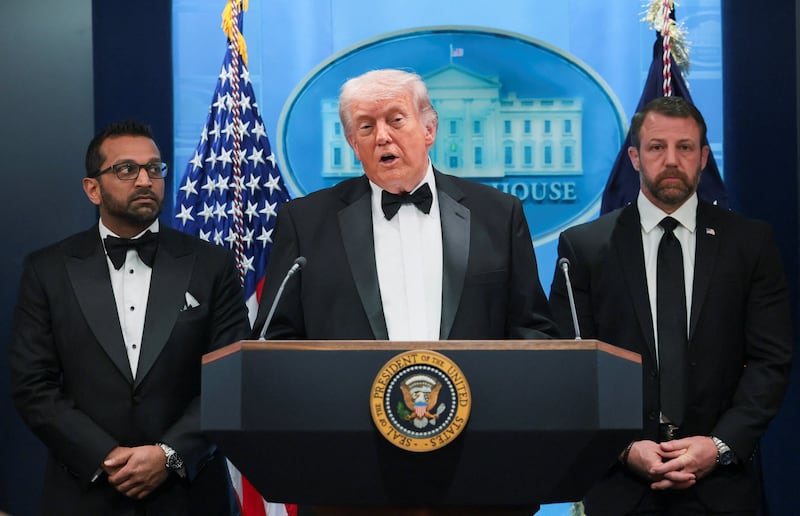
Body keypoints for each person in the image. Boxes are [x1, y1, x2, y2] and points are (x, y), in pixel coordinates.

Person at [549, 96, 792, 515]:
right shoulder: (585, 247)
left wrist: (719, 446)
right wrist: (624, 448)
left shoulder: (750, 243)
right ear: (635, 157)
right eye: (657, 147)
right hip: (621, 488)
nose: (672, 160)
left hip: (724, 488)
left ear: (704, 157)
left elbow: (771, 360)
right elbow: (569, 365)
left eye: (685, 147)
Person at [9, 121, 250, 515]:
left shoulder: (212, 265)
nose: (144, 180)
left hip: (190, 496)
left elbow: (232, 381)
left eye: (154, 168)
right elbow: (33, 385)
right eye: (126, 169)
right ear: (92, 188)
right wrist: (105, 456)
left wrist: (169, 454)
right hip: (84, 495)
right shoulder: (47, 270)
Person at [251, 68, 557, 343]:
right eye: (366, 127)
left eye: (396, 120)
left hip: (475, 390)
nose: (382, 137)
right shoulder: (305, 223)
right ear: (354, 144)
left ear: (429, 130)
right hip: (347, 391)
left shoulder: (498, 214)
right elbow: (275, 340)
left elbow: (532, 331)